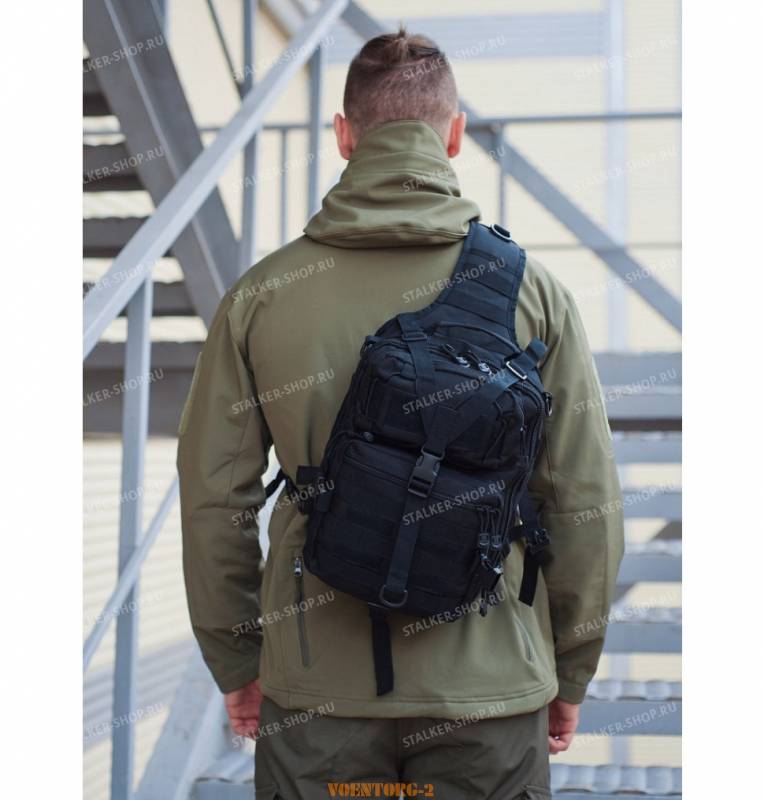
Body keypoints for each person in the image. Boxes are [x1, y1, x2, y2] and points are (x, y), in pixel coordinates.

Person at [178, 27, 624, 800]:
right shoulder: (536, 293)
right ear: (453, 135)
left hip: (315, 693)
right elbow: (586, 500)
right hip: (488, 688)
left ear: (344, 135)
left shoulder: (262, 294)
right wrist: (570, 669)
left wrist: (238, 658)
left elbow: (214, 498)